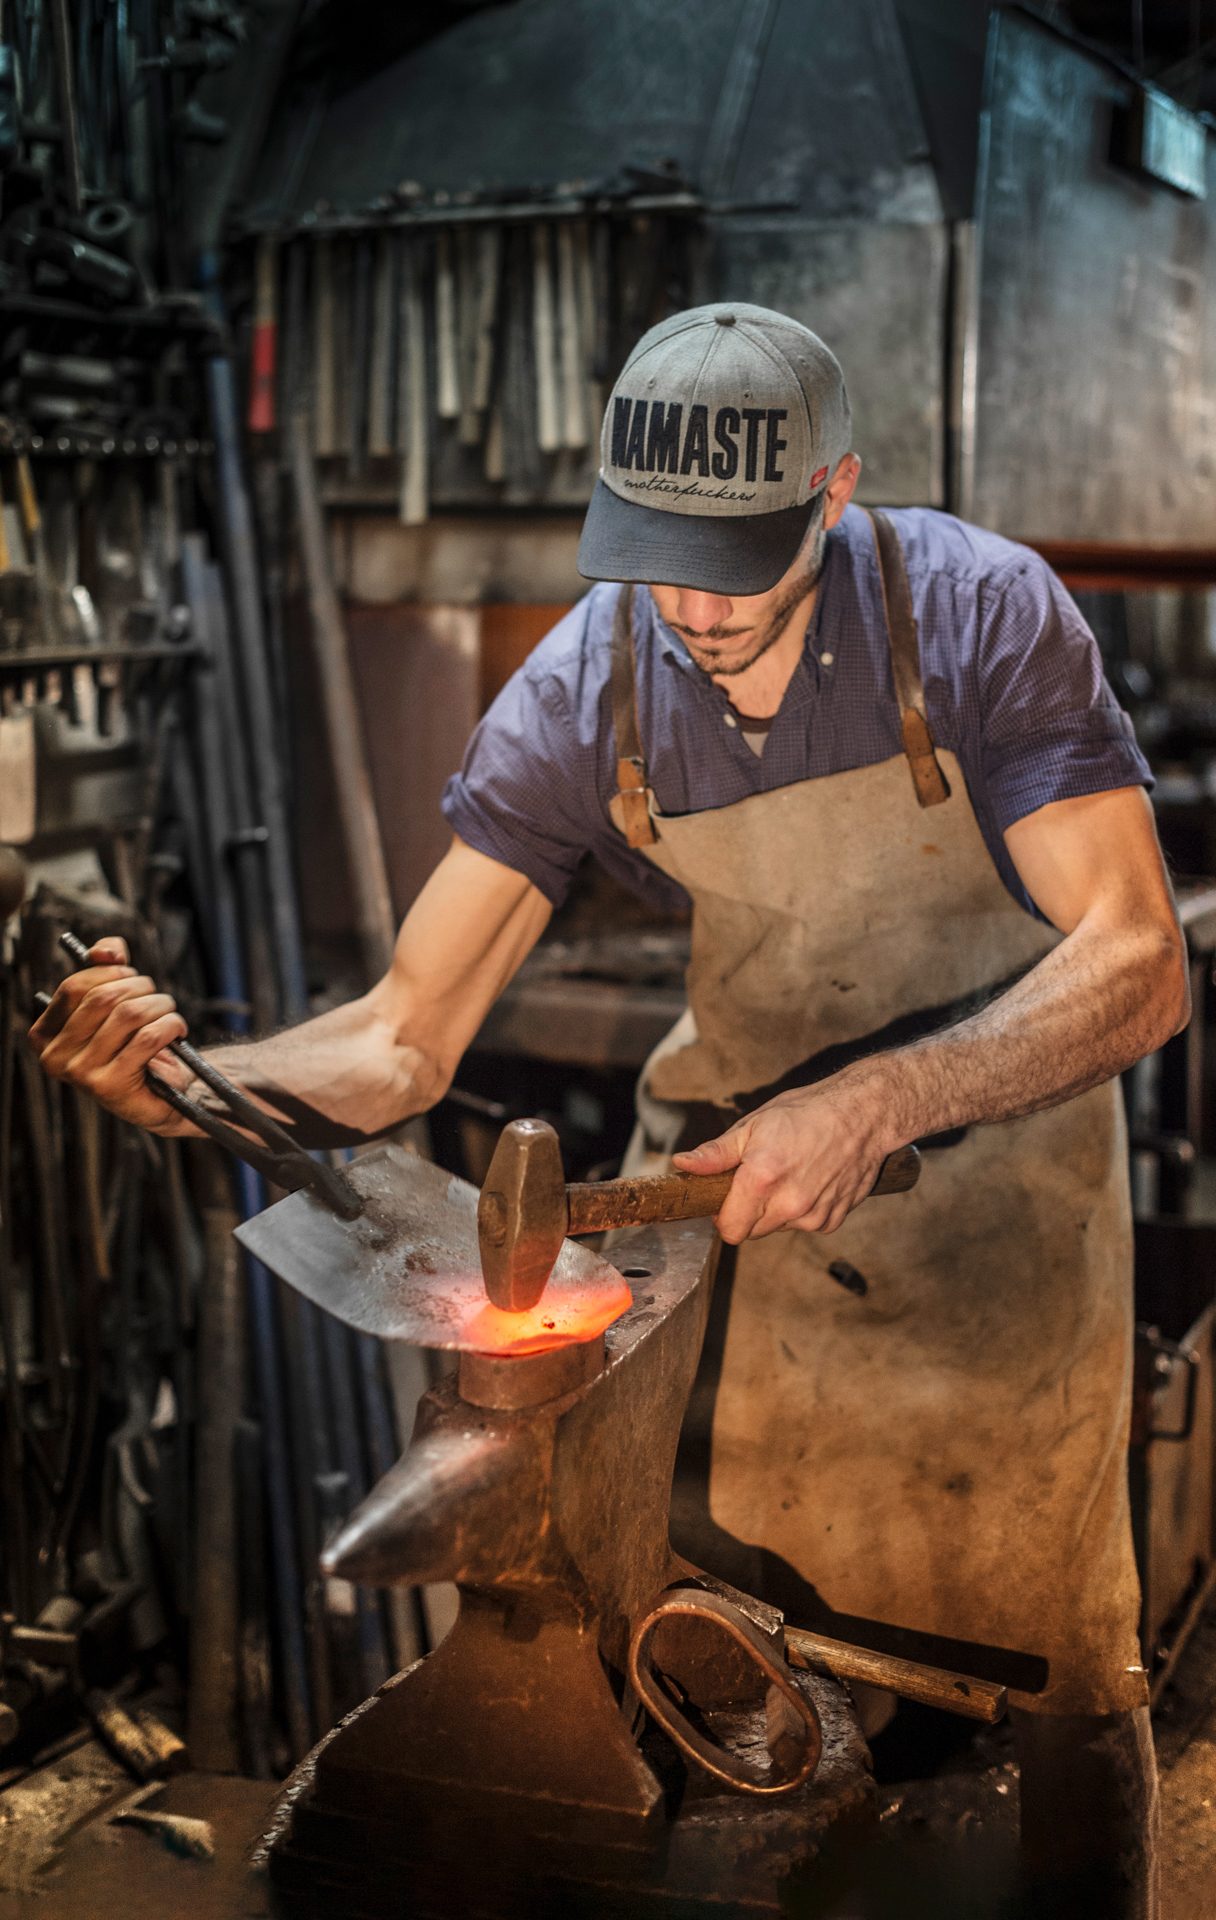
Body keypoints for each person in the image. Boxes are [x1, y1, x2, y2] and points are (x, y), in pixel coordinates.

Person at [32, 304, 1185, 1915]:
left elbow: (1139, 963)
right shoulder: (597, 677)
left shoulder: (980, 614)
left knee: (1035, 1671)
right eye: (655, 557)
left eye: (737, 559)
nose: (694, 608)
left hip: (996, 1232)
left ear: (835, 495)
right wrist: (192, 1087)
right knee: (695, 1669)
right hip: (722, 1226)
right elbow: (401, 1037)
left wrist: (884, 1096)